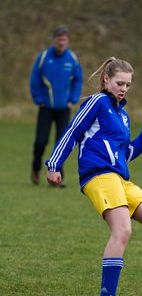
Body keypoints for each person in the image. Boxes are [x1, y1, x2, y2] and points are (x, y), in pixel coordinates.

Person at [46, 57, 142, 296]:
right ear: (106, 80)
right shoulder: (97, 102)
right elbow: (73, 131)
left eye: (128, 84)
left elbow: (127, 154)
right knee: (122, 230)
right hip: (99, 176)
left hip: (120, 178)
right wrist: (55, 164)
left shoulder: (122, 116)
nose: (124, 88)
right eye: (119, 83)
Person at [30, 25, 83, 186]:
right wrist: (39, 99)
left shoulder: (72, 59)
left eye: (64, 39)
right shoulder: (44, 57)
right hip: (46, 108)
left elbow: (78, 80)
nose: (62, 42)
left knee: (61, 144)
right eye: (59, 39)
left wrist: (73, 98)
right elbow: (35, 79)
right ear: (54, 40)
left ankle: (58, 178)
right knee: (41, 141)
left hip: (64, 109)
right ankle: (35, 168)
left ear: (67, 40)